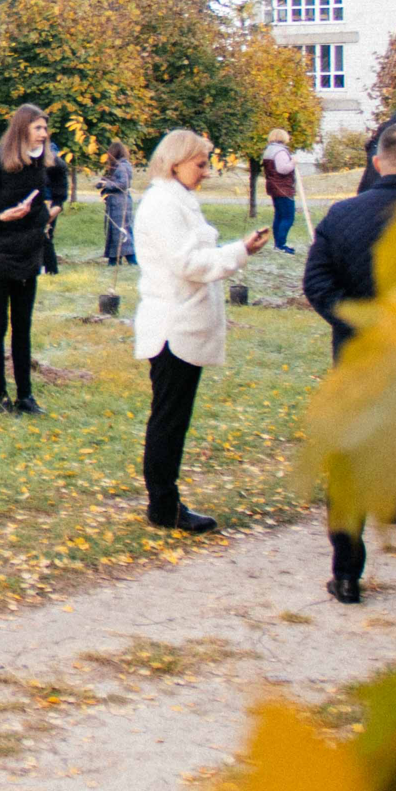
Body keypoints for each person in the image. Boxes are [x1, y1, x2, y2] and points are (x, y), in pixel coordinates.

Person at [305, 119, 396, 606]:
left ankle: (346, 575)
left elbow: (317, 284)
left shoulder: (341, 215)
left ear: (376, 163)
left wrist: (357, 320)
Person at [132, 128, 271, 534]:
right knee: (168, 420)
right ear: (175, 162)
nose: (207, 172)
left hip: (185, 323)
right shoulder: (162, 204)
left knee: (173, 418)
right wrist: (240, 251)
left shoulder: (178, 199)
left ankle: (165, 501)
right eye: (201, 164)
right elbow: (188, 264)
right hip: (172, 327)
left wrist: (238, 250)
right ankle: (163, 505)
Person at [0, 105, 57, 414]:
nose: (44, 134)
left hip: (27, 254)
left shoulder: (39, 163)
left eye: (45, 128)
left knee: (23, 325)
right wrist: (1, 216)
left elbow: (45, 199)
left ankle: (26, 396)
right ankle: (0, 396)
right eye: (38, 128)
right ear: (22, 129)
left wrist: (45, 215)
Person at [262, 131, 302, 253]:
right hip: (283, 188)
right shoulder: (280, 151)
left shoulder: (269, 150)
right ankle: (281, 245)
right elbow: (283, 169)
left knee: (279, 216)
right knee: (288, 217)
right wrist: (293, 162)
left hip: (274, 187)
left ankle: (278, 244)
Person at [99, 145, 137, 266]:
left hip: (120, 203)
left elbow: (123, 184)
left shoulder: (123, 166)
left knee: (121, 230)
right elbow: (113, 181)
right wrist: (101, 183)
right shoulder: (116, 166)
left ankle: (132, 260)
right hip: (115, 203)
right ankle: (114, 260)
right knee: (115, 231)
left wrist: (106, 184)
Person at [38, 139, 70, 274]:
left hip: (49, 205)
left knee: (45, 236)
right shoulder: (36, 165)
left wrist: (52, 211)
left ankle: (51, 270)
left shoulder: (58, 167)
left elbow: (60, 195)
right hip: (39, 203)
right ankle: (44, 268)